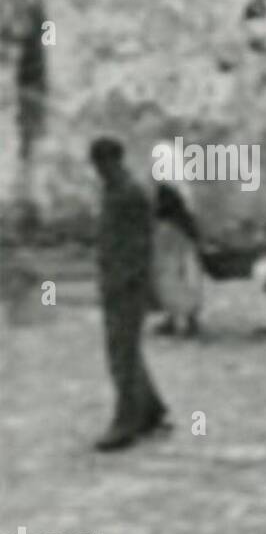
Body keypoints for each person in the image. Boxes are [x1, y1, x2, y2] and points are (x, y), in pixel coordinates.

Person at [90, 138, 168, 451]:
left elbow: (142, 243)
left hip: (127, 284)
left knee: (121, 352)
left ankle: (126, 422)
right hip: (114, 280)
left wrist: (132, 280)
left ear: (113, 160)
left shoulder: (130, 193)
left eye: (101, 164)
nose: (98, 171)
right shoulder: (114, 190)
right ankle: (150, 408)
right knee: (126, 348)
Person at [151, 141, 204, 335]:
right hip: (181, 236)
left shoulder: (167, 189)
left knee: (170, 275)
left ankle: (175, 317)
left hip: (170, 235)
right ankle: (188, 318)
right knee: (187, 274)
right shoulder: (183, 187)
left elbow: (165, 214)